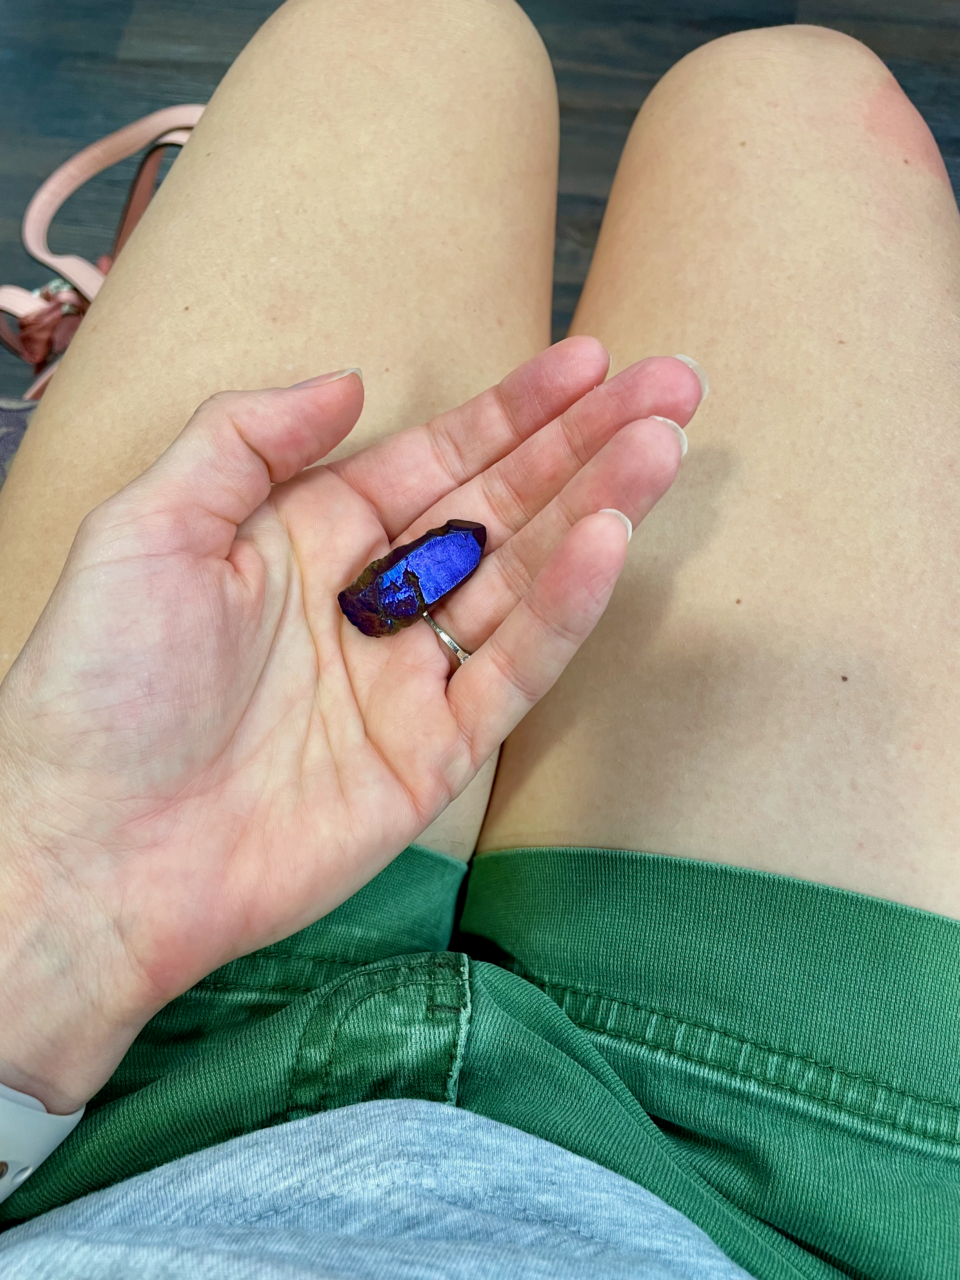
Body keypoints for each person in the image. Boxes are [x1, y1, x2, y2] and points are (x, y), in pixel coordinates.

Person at [0, 2, 957, 1276]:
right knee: (801, 97)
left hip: (97, 1043)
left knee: (405, 26)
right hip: (806, 1206)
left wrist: (52, 908)